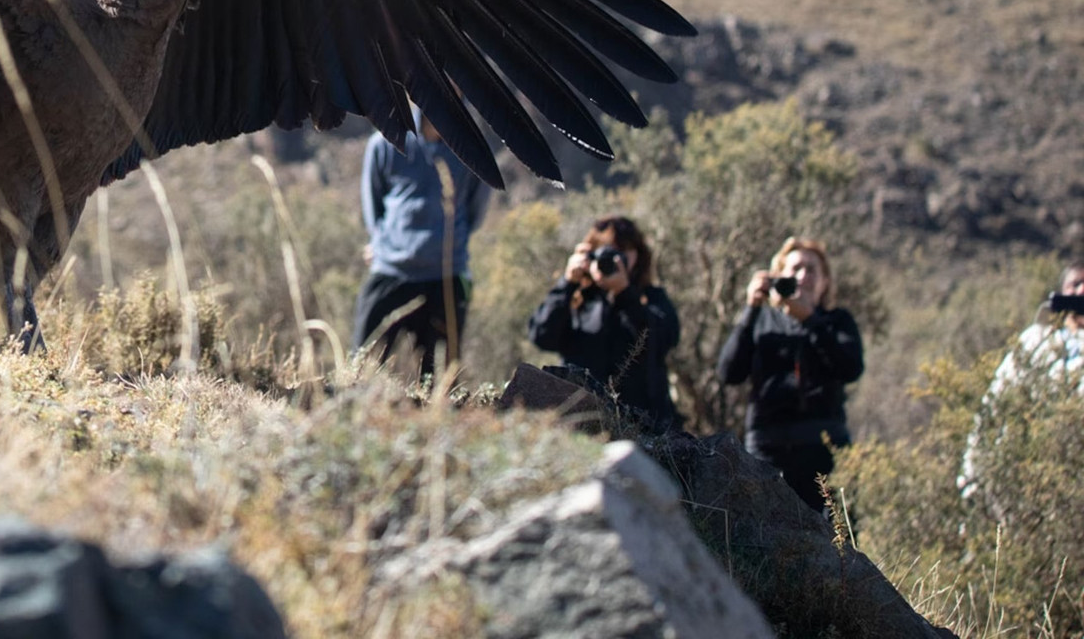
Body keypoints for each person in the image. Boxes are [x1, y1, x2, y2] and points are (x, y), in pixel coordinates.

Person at [716, 235, 863, 511]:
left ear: (825, 282)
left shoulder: (838, 321)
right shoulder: (761, 320)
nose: (803, 275)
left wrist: (810, 320)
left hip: (826, 450)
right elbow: (729, 372)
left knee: (837, 542)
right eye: (795, 269)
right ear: (778, 276)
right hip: (767, 450)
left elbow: (851, 368)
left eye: (812, 269)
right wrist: (751, 308)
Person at [352, 110, 491, 384]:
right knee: (362, 368)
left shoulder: (473, 149)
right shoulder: (386, 141)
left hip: (446, 276)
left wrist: (449, 242)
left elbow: (475, 210)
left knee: (440, 380)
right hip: (391, 271)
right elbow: (373, 202)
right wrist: (383, 243)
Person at [527, 214, 681, 429]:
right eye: (607, 250)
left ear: (639, 255)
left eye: (624, 250)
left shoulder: (652, 298)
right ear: (590, 255)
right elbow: (542, 336)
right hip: (581, 424)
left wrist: (625, 294)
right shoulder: (576, 300)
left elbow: (664, 339)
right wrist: (567, 282)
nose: (615, 258)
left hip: (645, 426)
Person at [959, 260, 1084, 500]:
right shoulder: (1036, 341)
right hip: (1032, 480)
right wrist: (972, 477)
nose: (1081, 291)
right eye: (1075, 284)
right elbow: (995, 406)